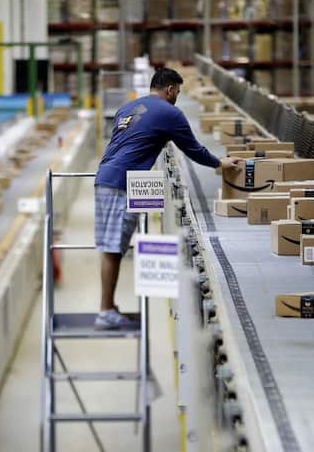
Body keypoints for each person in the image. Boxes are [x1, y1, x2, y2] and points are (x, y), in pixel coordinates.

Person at [93, 67, 240, 330]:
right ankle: (105, 311)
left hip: (107, 176)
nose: (177, 98)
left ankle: (108, 305)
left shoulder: (129, 108)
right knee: (113, 249)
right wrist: (221, 163)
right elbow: (193, 149)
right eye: (178, 93)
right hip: (121, 183)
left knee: (112, 246)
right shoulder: (169, 113)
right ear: (170, 89)